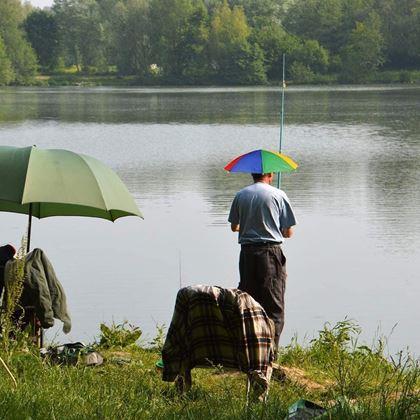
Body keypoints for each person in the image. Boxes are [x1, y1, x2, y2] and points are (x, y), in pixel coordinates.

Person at [228, 172, 297, 351]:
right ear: (269, 174)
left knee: (248, 302)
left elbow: (234, 227)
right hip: (270, 254)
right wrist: (274, 228)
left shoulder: (241, 195)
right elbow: (288, 233)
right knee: (274, 305)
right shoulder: (278, 194)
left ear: (252, 173)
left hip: (247, 254)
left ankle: (249, 351)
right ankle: (270, 354)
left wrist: (252, 226)